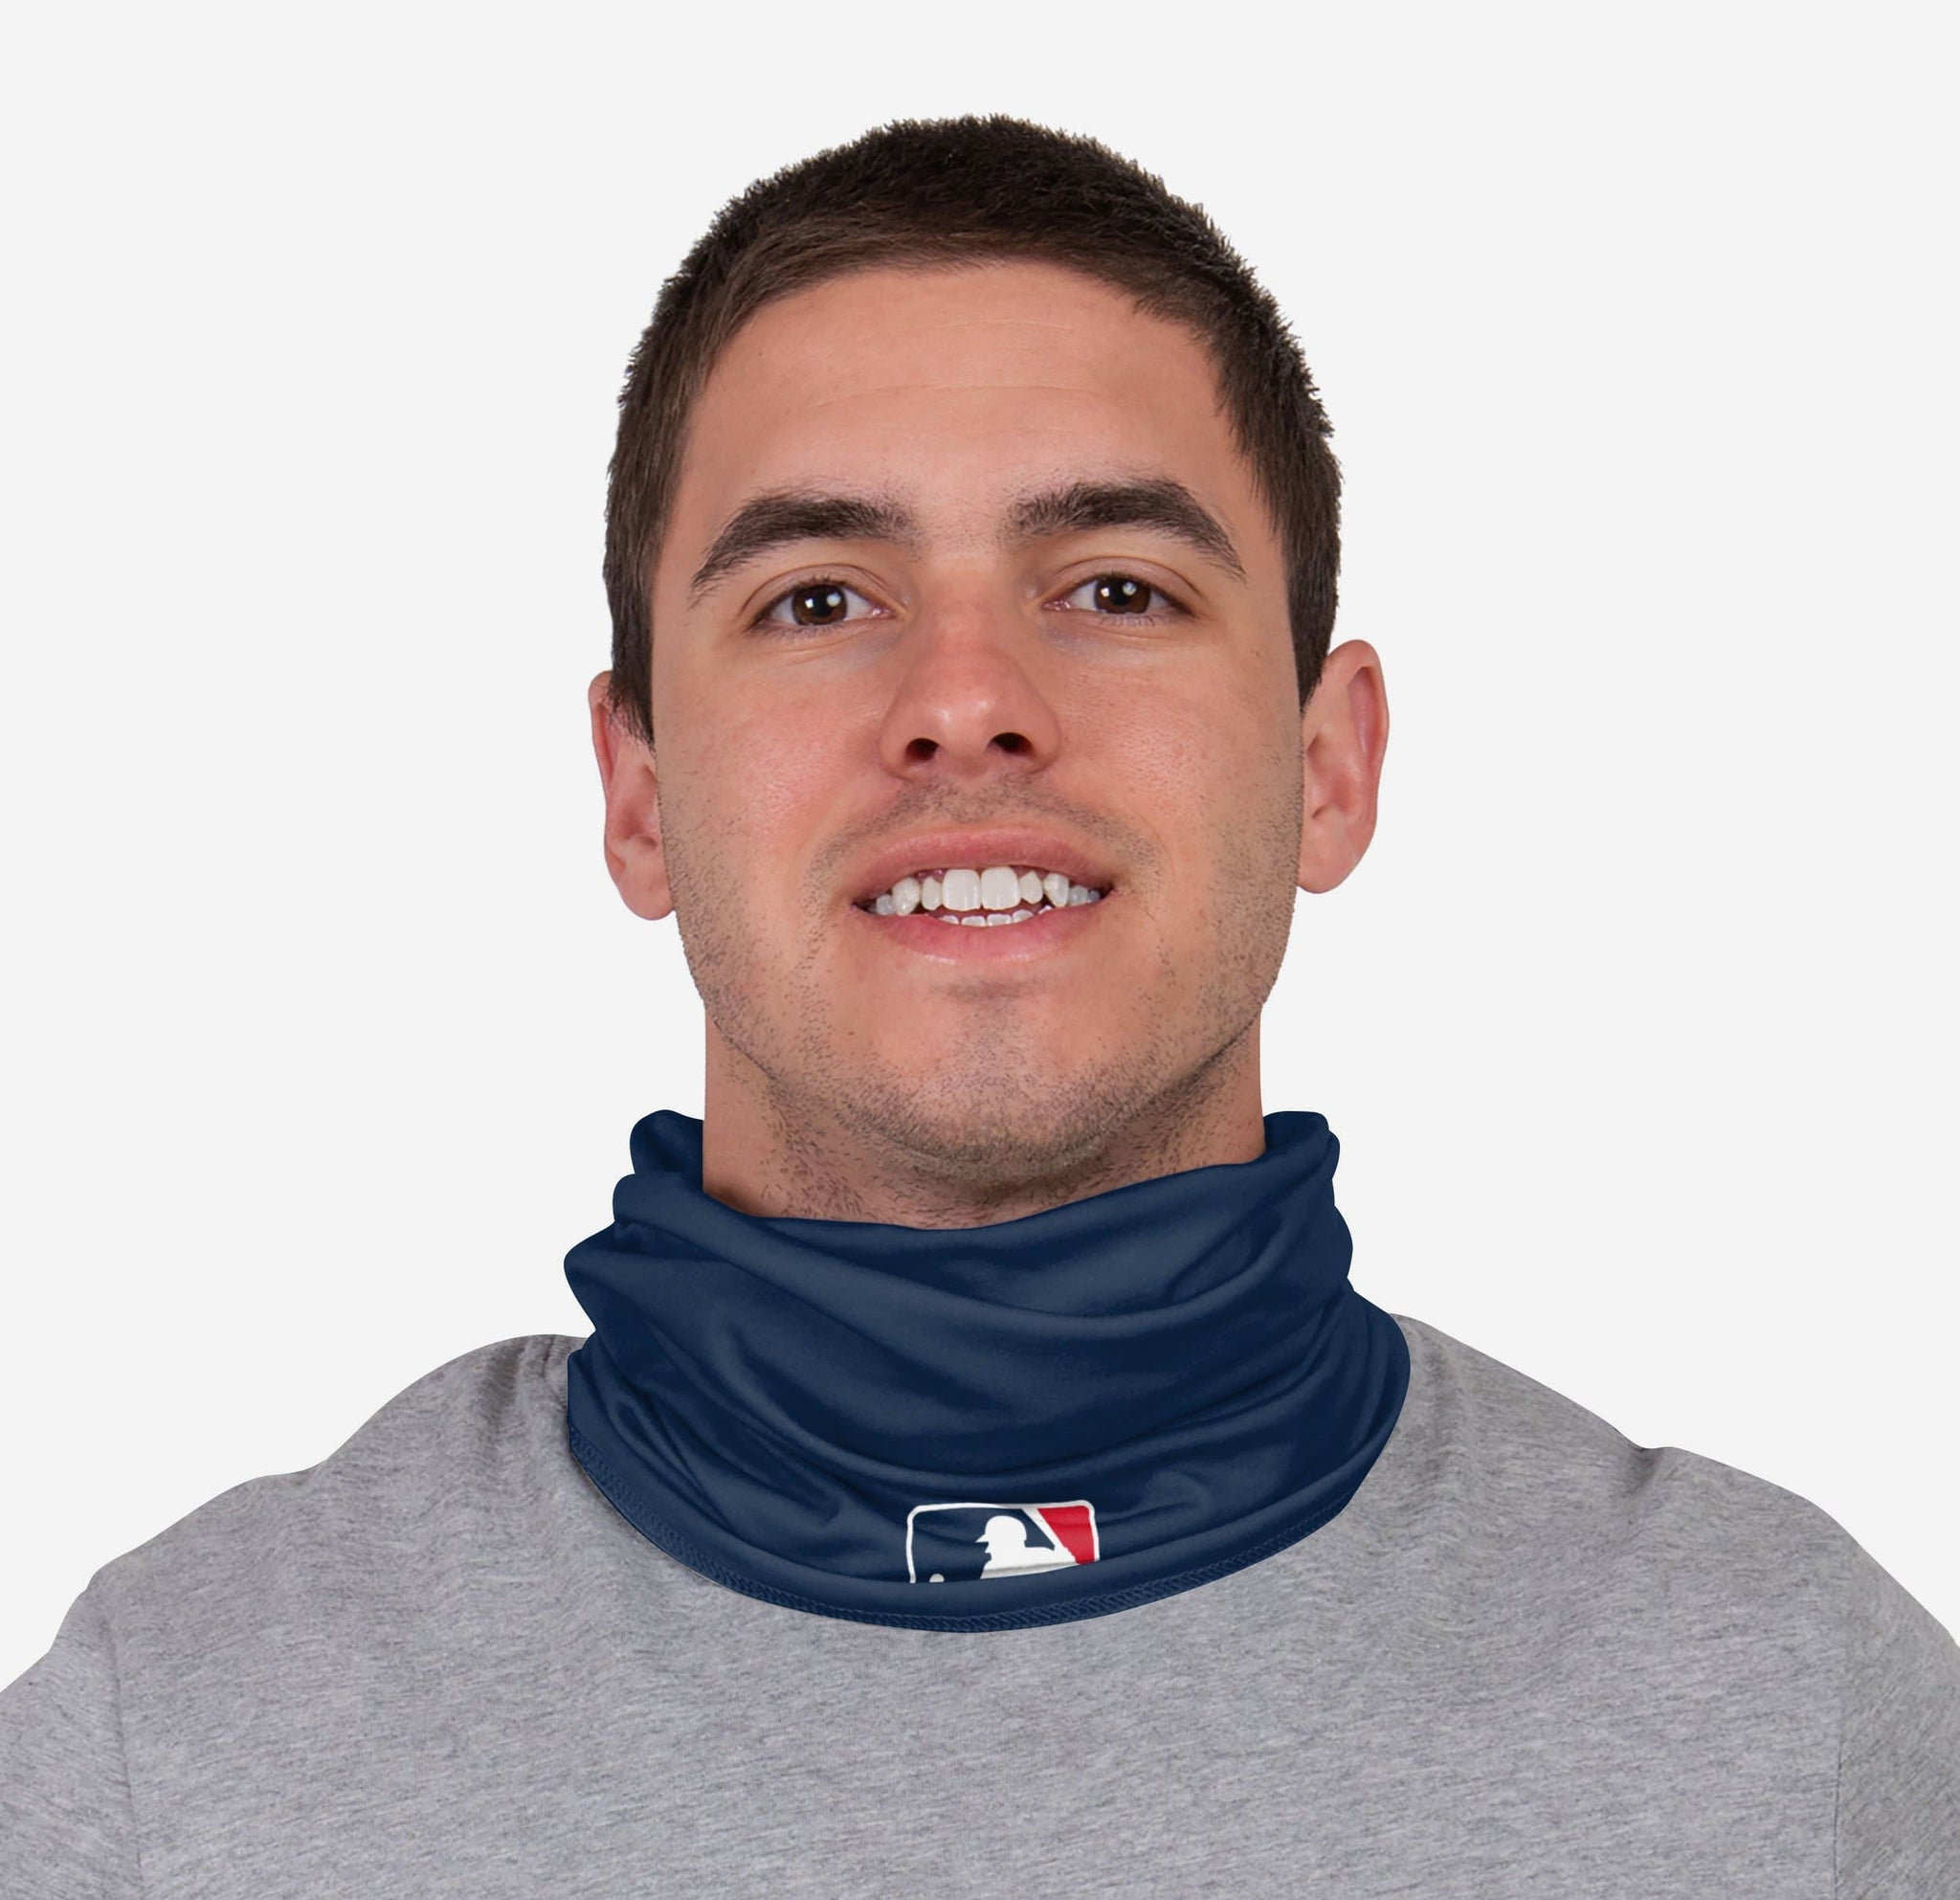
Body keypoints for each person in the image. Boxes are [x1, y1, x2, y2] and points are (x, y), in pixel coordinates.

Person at [3, 113, 1953, 1897]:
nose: (964, 699)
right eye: (817, 599)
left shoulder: (1797, 1722)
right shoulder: (168, 1753)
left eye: (1113, 588)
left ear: (1328, 767)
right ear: (638, 794)